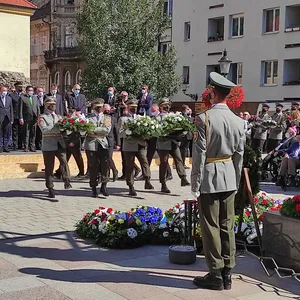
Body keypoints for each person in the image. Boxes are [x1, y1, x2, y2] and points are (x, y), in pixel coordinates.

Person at [191, 72, 245, 291]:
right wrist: (237, 179)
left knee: (210, 225)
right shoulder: (239, 121)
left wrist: (195, 184)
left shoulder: (204, 118)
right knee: (227, 225)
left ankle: (215, 273)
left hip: (210, 176)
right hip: (229, 175)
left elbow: (199, 155)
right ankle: (228, 272)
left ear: (212, 93)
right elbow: (240, 156)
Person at [118, 99, 153, 196]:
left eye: (135, 107)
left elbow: (146, 129)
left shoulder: (140, 118)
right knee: (129, 166)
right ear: (128, 108)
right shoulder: (123, 119)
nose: (134, 109)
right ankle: (131, 186)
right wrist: (127, 132)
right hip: (129, 145)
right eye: (132, 107)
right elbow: (120, 133)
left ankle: (147, 179)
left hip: (140, 144)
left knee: (144, 162)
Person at [38, 97, 71, 198]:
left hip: (59, 143)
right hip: (48, 144)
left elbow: (65, 128)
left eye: (54, 104)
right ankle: (50, 187)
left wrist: (68, 128)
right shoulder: (42, 117)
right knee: (49, 167)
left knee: (64, 161)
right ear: (46, 105)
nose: (53, 106)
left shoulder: (59, 116)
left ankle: (66, 179)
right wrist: (57, 127)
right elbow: (45, 129)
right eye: (51, 104)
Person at [156, 98, 190, 194]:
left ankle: (183, 178)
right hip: (163, 143)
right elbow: (156, 132)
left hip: (173, 142)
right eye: (164, 105)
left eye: (167, 105)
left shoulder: (173, 116)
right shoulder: (158, 118)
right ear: (160, 107)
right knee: (164, 163)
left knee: (178, 159)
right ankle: (163, 183)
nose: (166, 107)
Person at [84, 99, 111, 197]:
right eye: (97, 107)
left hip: (103, 144)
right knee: (93, 166)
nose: (99, 109)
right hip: (91, 144)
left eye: (101, 107)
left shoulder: (107, 118)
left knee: (105, 165)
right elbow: (86, 130)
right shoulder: (88, 118)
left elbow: (106, 130)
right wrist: (98, 130)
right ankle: (94, 187)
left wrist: (94, 129)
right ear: (94, 107)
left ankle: (104, 185)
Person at [19, 85, 40, 152]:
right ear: (27, 91)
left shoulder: (35, 98)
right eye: (29, 90)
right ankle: (26, 146)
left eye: (32, 90)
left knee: (33, 133)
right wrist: (21, 118)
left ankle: (32, 146)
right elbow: (20, 109)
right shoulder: (22, 98)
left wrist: (39, 116)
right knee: (26, 133)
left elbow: (37, 107)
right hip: (26, 118)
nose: (31, 92)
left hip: (34, 118)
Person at [103, 103, 119, 182]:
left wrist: (118, 143)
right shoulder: (101, 117)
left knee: (109, 158)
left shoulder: (113, 119)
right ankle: (106, 175)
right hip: (102, 141)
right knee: (104, 159)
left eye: (108, 110)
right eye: (105, 110)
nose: (107, 111)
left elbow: (116, 132)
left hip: (110, 141)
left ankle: (115, 170)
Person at [10, 81, 23, 150]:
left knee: (21, 131)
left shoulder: (23, 95)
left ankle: (20, 145)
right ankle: (15, 145)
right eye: (19, 87)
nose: (21, 88)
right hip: (15, 115)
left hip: (22, 116)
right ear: (16, 87)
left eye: (21, 86)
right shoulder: (11, 95)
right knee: (15, 132)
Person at [0, 86, 14, 152]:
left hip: (7, 118)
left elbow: (11, 109)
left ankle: (5, 147)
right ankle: (0, 147)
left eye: (6, 90)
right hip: (0, 117)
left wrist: (12, 119)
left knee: (6, 133)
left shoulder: (9, 98)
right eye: (3, 90)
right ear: (1, 91)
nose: (4, 92)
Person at [180, 104, 194, 168]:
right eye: (188, 109)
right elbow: (189, 122)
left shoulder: (185, 116)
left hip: (187, 135)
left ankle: (182, 163)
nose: (189, 110)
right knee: (184, 150)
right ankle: (182, 163)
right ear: (185, 110)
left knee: (184, 150)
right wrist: (190, 115)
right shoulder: (184, 116)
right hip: (186, 136)